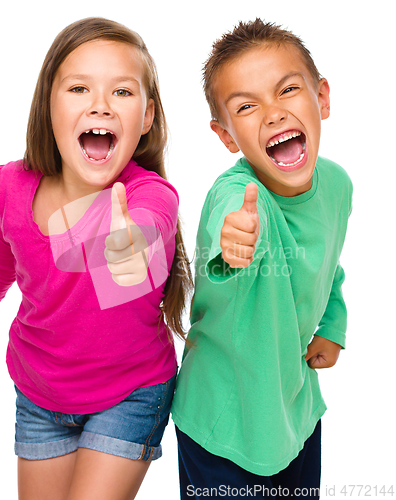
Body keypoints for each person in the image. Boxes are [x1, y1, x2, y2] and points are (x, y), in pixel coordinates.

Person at [0, 17, 192, 500]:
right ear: (48, 106)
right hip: (39, 394)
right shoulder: (9, 186)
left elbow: (140, 250)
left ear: (148, 116)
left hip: (131, 394)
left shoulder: (151, 197)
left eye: (122, 92)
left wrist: (125, 245)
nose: (100, 104)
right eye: (79, 88)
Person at [171, 19, 352, 499]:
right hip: (223, 425)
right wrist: (234, 239)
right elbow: (228, 225)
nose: (272, 114)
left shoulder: (336, 185)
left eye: (287, 90)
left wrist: (333, 325)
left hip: (293, 411)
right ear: (227, 135)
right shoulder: (235, 194)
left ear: (323, 99)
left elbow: (330, 263)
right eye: (247, 106)